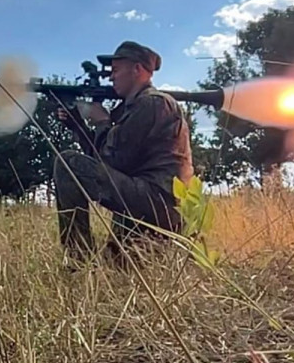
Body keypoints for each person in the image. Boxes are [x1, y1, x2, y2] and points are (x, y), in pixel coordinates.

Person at [52, 40, 194, 267]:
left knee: (68, 163)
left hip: (157, 203)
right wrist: (78, 126)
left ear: (137, 69)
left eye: (116, 70)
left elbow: (115, 160)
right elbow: (104, 158)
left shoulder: (152, 104)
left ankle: (78, 263)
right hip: (152, 205)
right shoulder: (137, 106)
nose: (110, 77)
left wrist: (101, 122)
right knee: (117, 267)